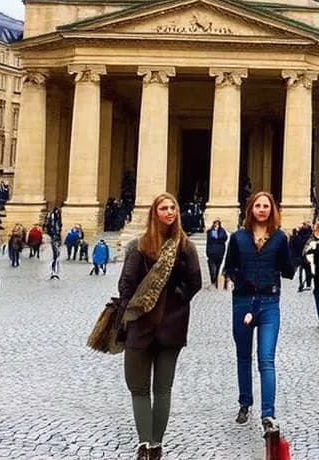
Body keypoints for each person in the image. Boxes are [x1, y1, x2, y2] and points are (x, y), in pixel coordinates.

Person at [117, 193, 201, 460]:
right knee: (139, 388)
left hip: (168, 329)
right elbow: (126, 285)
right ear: (155, 213)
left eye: (173, 207)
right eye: (164, 208)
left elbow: (195, 282)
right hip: (143, 327)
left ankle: (153, 445)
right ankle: (147, 443)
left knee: (161, 389)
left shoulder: (185, 247)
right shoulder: (139, 246)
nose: (169, 212)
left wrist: (175, 302)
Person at [223, 191, 295, 431]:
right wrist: (241, 279)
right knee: (243, 355)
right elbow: (229, 267)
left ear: (272, 210)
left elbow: (288, 269)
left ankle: (268, 413)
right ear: (251, 209)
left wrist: (292, 255)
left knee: (266, 358)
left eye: (266, 206)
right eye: (258, 206)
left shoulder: (280, 238)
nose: (262, 209)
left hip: (269, 302)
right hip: (242, 301)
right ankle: (245, 403)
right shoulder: (238, 238)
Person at [205, 219, 228, 288]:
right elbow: (210, 240)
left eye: (218, 224)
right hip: (211, 252)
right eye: (215, 223)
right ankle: (213, 280)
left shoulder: (222, 231)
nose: (216, 225)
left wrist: (217, 236)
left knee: (218, 267)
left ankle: (216, 280)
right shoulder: (210, 231)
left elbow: (224, 238)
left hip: (219, 253)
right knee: (212, 268)